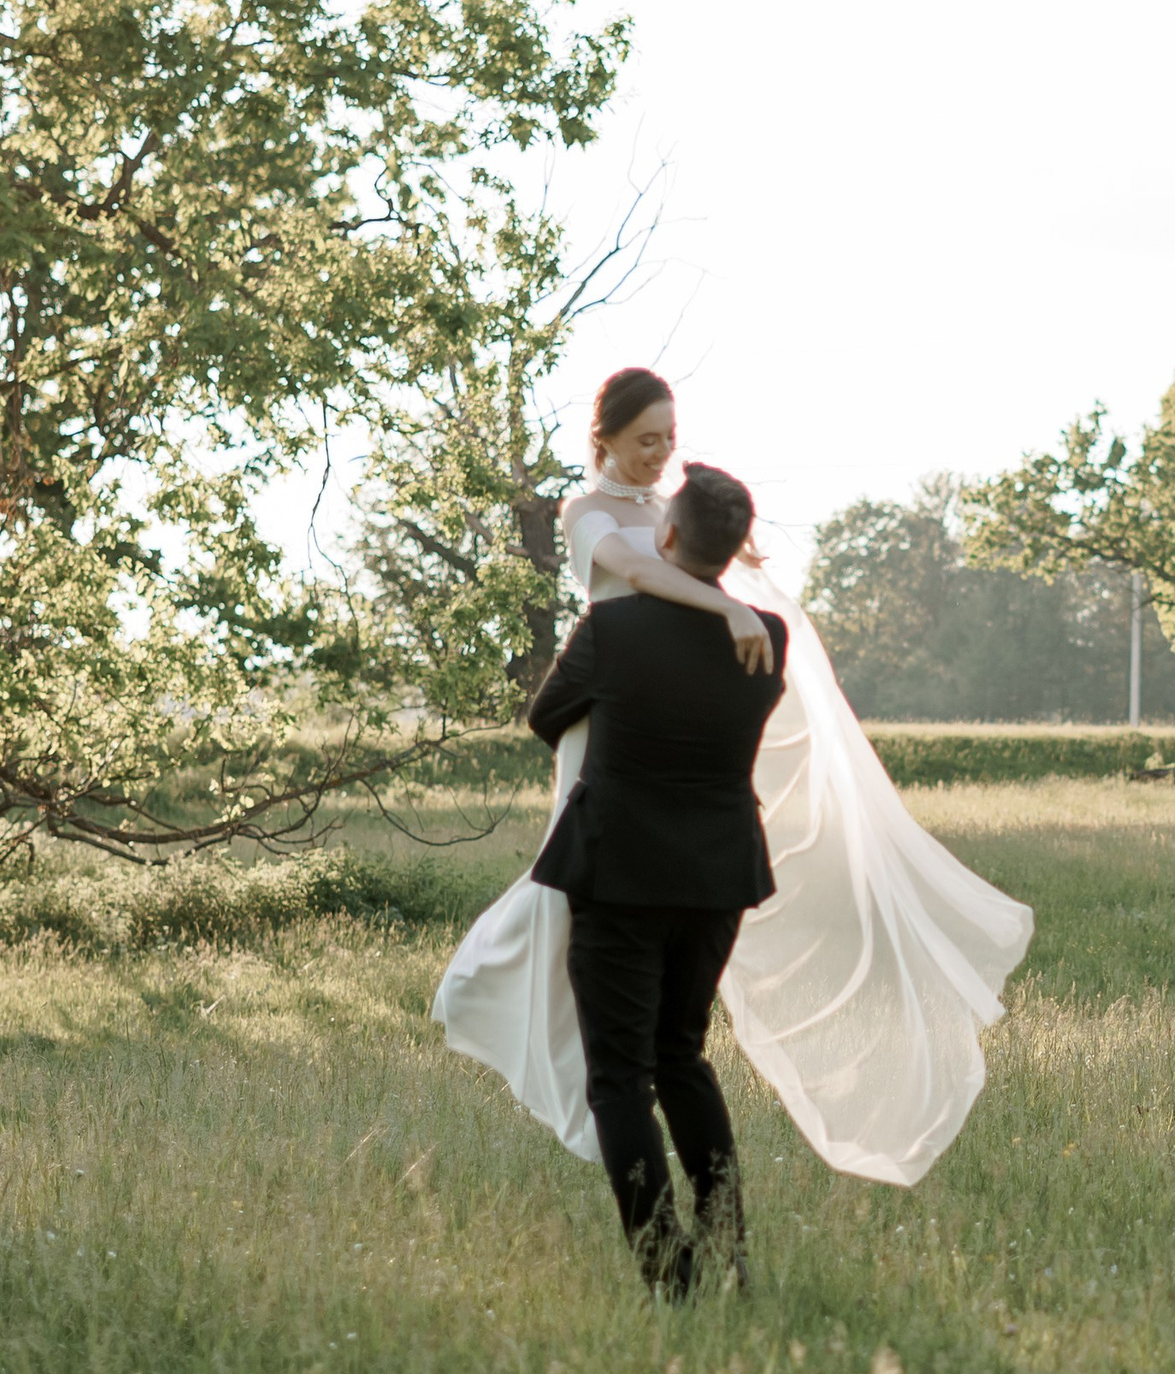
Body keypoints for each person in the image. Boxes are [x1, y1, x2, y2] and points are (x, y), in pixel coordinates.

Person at [433, 366, 1032, 1222]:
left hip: (649, 726)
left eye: (670, 441)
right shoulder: (591, 517)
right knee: (602, 963)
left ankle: (652, 1198)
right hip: (612, 739)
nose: (660, 456)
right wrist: (731, 610)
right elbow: (642, 575)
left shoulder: (672, 522)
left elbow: (664, 583)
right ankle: (711, 1221)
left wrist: (731, 592)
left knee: (644, 1024)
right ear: (602, 436)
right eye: (646, 441)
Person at [525, 458, 785, 1295]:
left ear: (666, 535)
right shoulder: (769, 637)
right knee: (683, 1054)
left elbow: (545, 715)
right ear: (735, 552)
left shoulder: (611, 629)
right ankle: (727, 1246)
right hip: (716, 875)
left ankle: (668, 1273)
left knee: (619, 1079)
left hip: (619, 874)